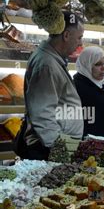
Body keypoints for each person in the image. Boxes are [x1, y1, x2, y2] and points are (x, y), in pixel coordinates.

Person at [22, 12, 84, 160]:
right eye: (79, 38)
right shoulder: (47, 64)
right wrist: (60, 151)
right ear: (66, 35)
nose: (81, 43)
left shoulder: (52, 60)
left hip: (57, 147)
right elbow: (42, 114)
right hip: (48, 151)